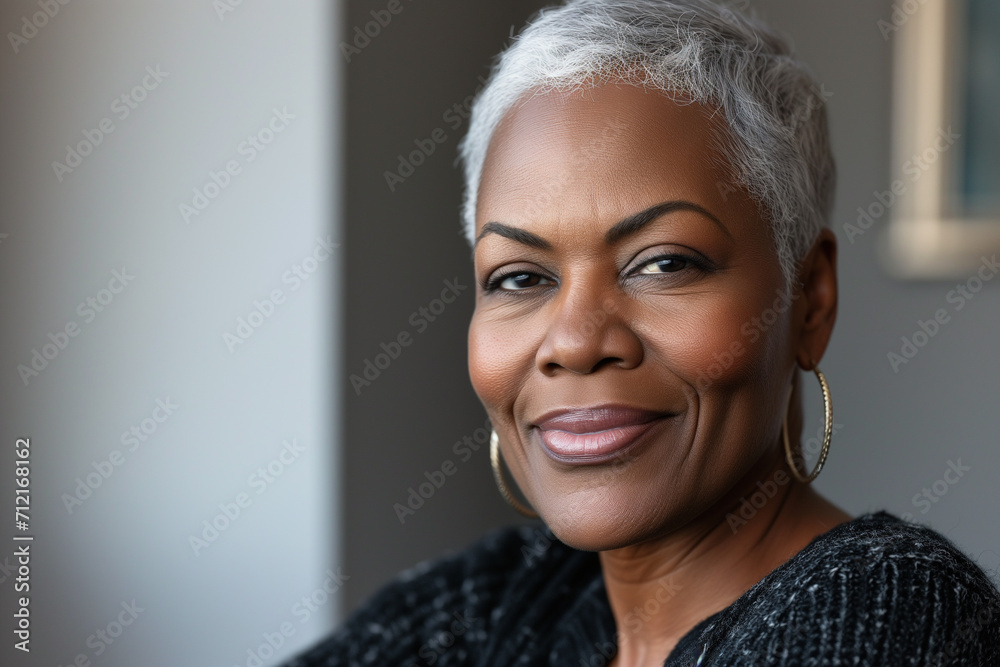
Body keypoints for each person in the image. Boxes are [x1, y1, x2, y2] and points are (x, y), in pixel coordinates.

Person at [286, 1, 1000, 664]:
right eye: (520, 277)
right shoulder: (492, 603)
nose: (574, 341)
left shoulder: (892, 608)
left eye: (662, 263)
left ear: (810, 300)